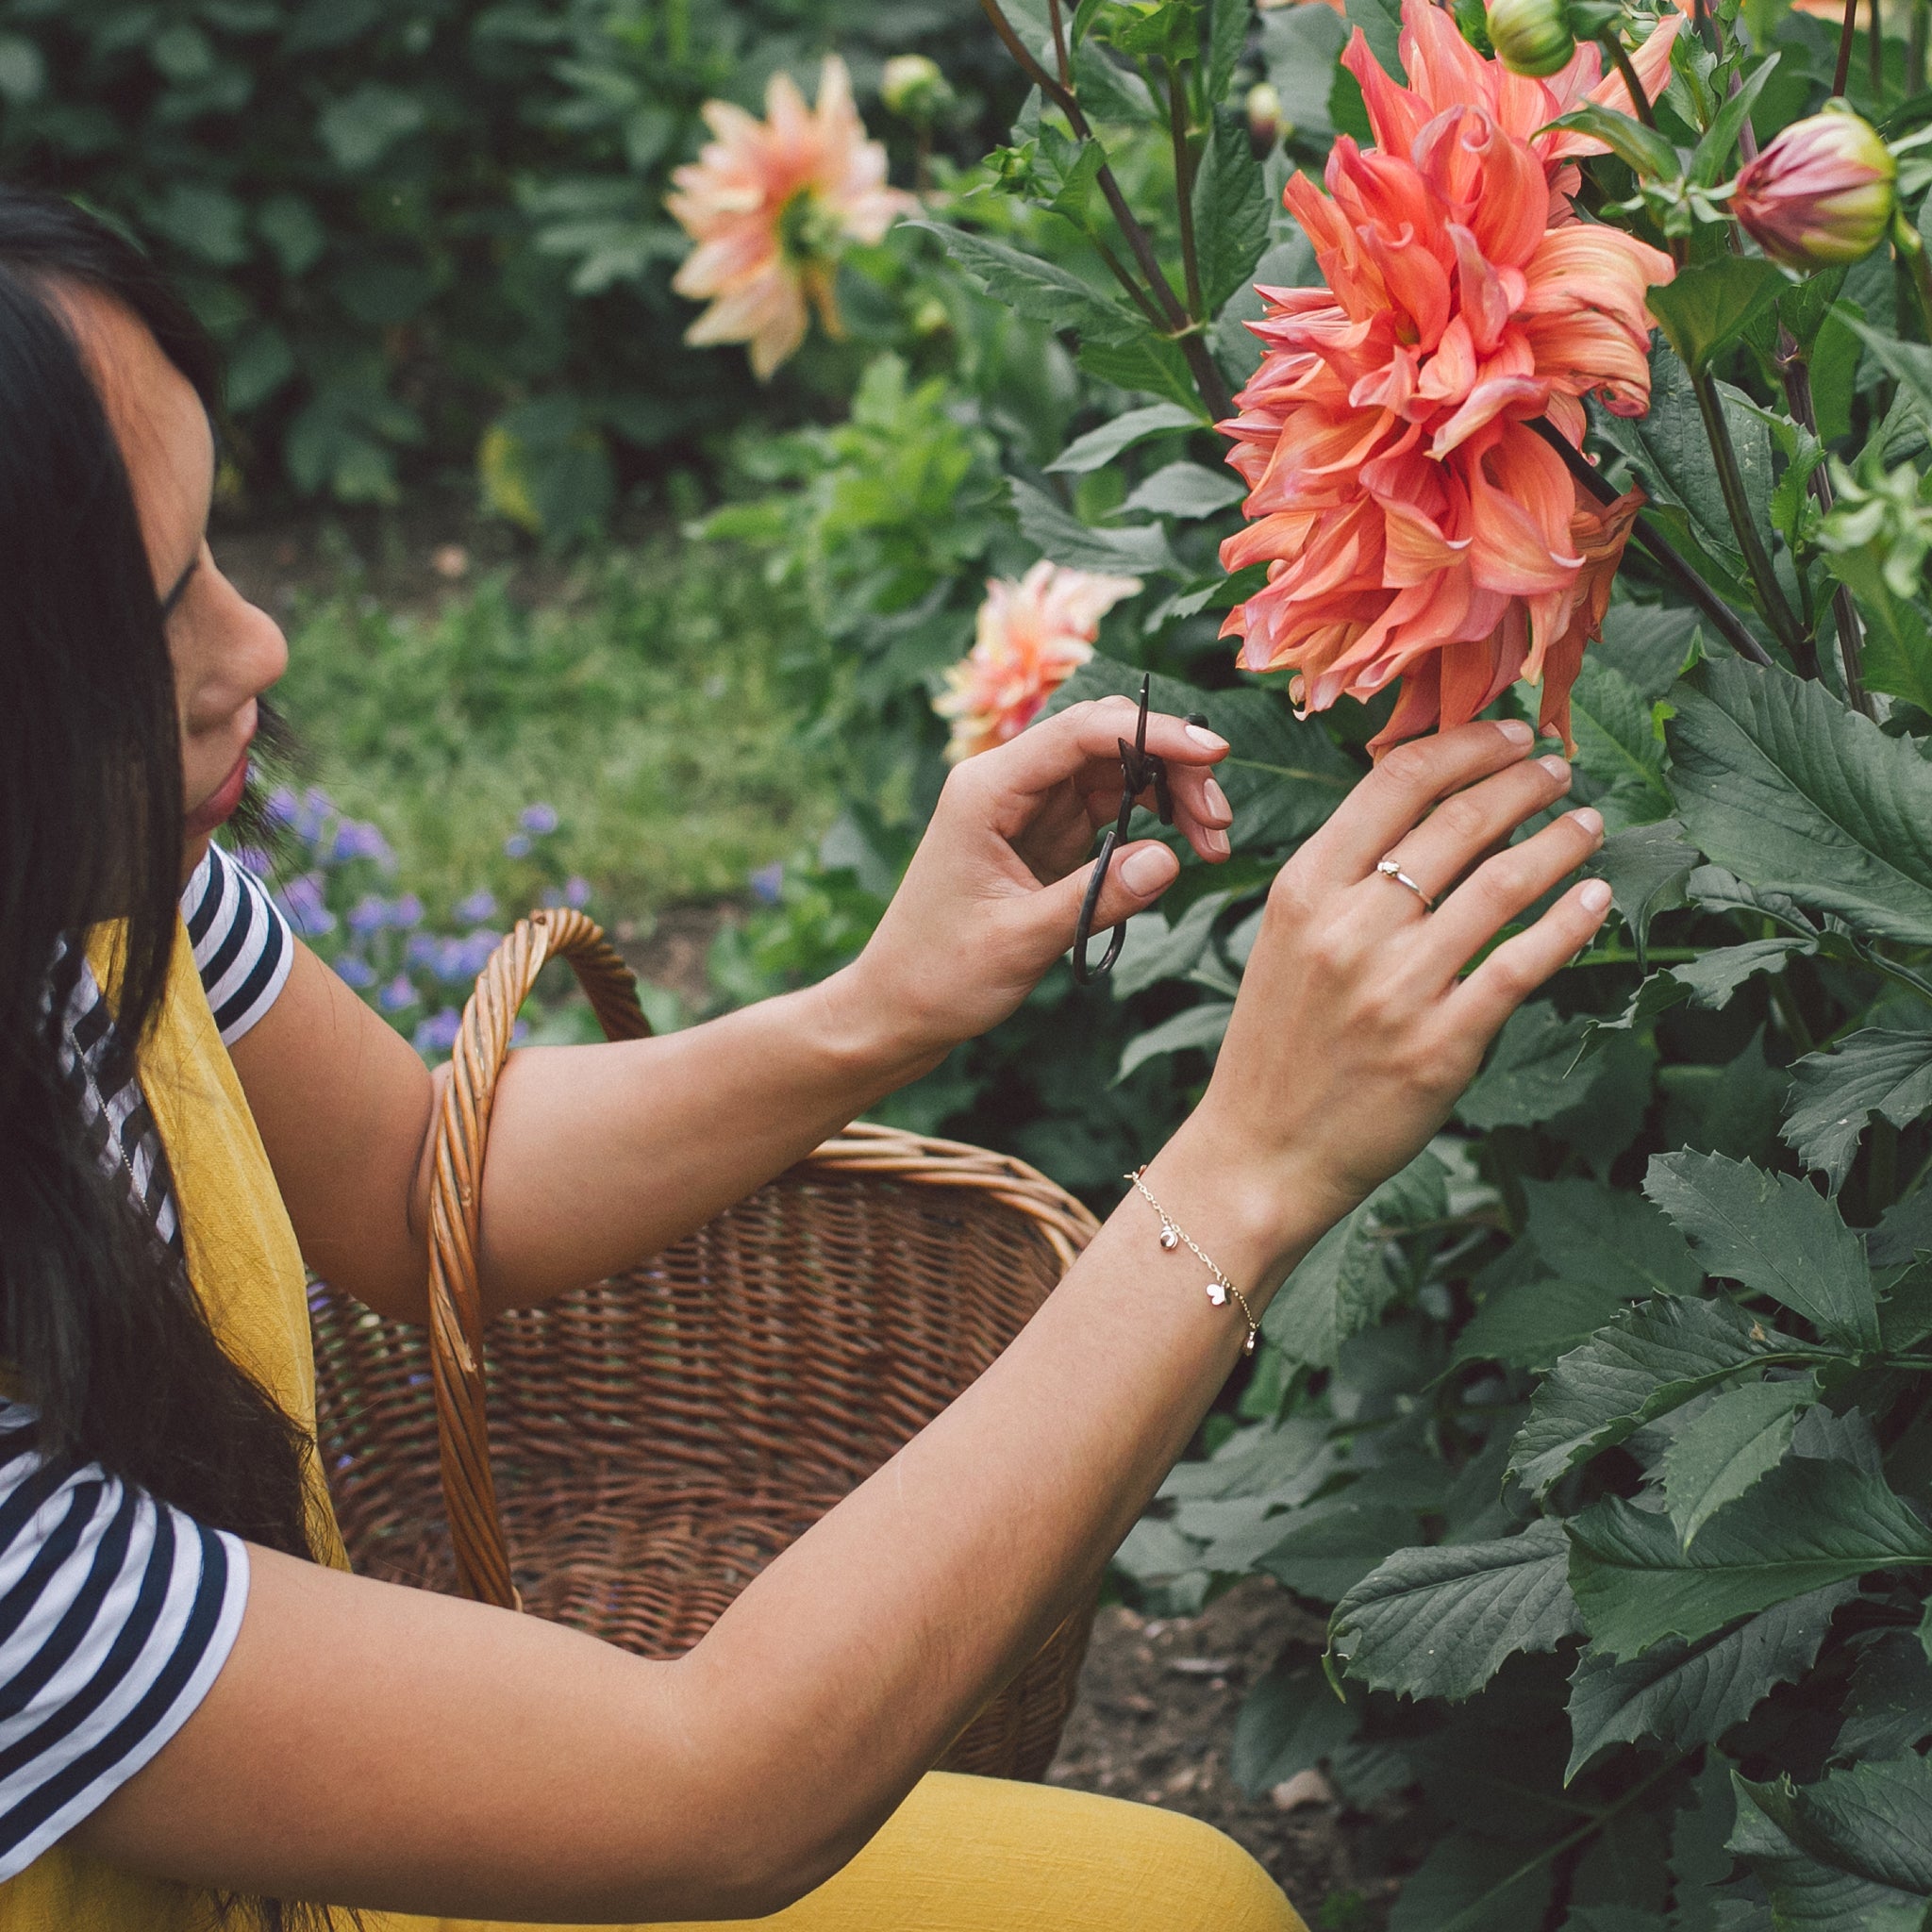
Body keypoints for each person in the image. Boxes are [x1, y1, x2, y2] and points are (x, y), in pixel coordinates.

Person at [0, 185, 1611, 1932]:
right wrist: (1250, 1167)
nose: (259, 649)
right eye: (142, 626)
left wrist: (886, 999)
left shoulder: (88, 887)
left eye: (213, 556)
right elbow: (711, 1788)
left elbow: (410, 1176)